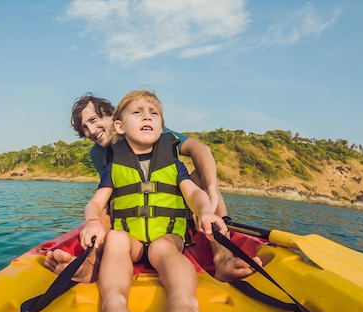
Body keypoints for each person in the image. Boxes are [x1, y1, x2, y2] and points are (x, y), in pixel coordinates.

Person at [44, 92, 261, 283]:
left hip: (175, 214)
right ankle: (91, 265)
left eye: (93, 119)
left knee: (201, 180)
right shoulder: (97, 154)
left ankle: (222, 258)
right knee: (103, 204)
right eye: (84, 128)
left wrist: (210, 193)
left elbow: (200, 149)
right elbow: (115, 198)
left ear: (113, 117)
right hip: (133, 226)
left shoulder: (150, 128)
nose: (91, 130)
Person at [81, 90, 227, 312]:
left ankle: (184, 307)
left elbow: (193, 193)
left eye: (154, 113)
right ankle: (115, 308)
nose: (146, 116)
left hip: (167, 236)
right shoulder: (112, 166)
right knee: (115, 239)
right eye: (137, 113)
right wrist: (91, 221)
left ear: (161, 126)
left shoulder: (171, 160)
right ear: (120, 126)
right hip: (132, 238)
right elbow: (96, 204)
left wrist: (206, 209)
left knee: (164, 247)